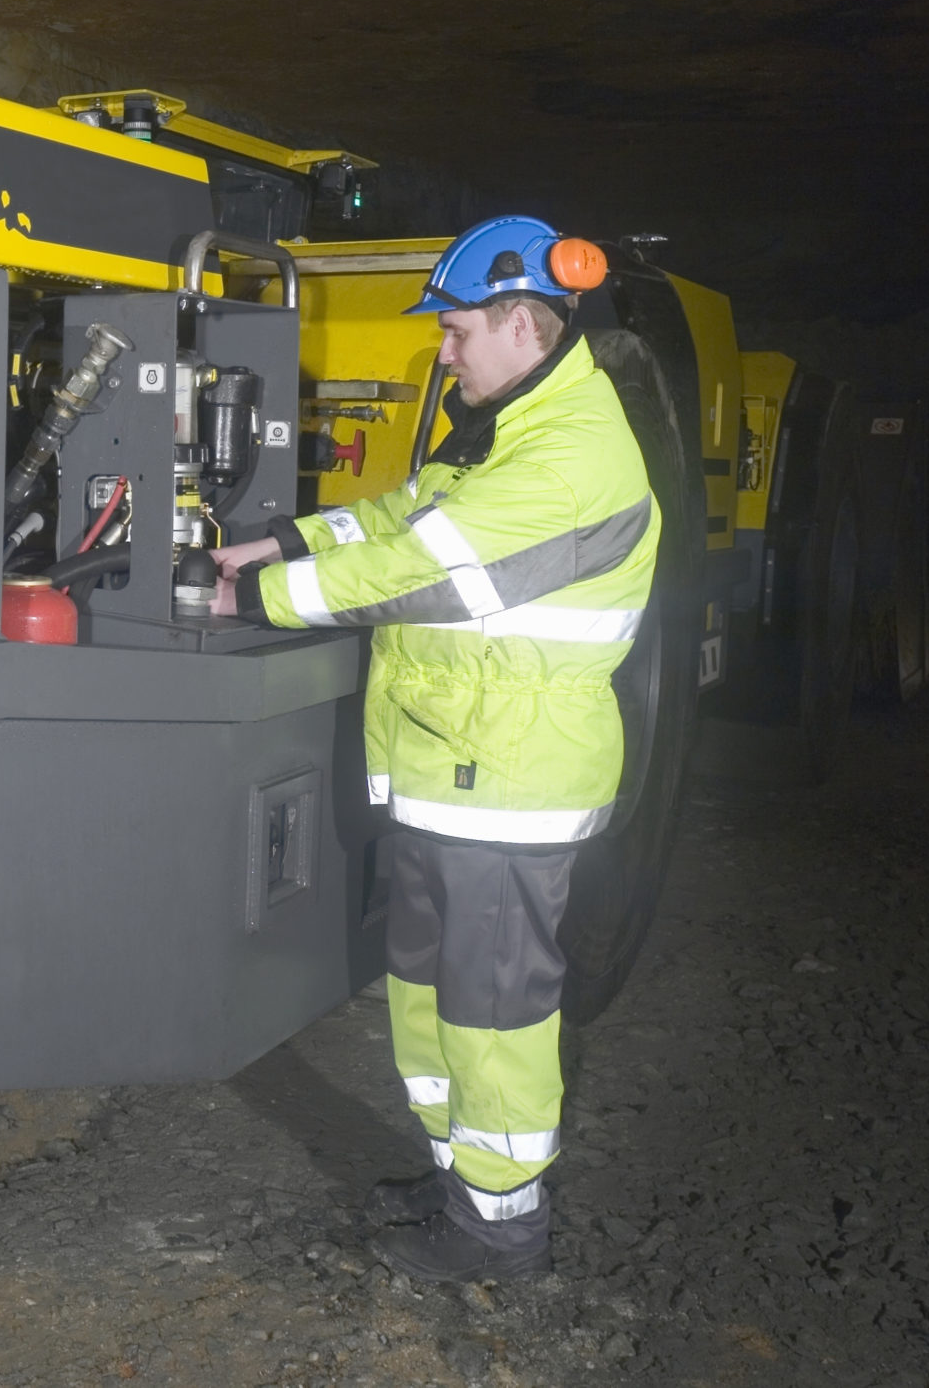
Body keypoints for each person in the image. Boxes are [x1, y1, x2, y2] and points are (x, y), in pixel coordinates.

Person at [211, 215, 658, 1283]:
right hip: (455, 772)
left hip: (508, 783)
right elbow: (405, 518)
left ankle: (502, 1231)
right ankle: (465, 1185)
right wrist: (281, 540)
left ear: (519, 323)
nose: (442, 352)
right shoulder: (514, 428)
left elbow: (423, 575)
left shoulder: (568, 456)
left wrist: (257, 597)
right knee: (428, 989)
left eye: (455, 333)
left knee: (493, 1010)